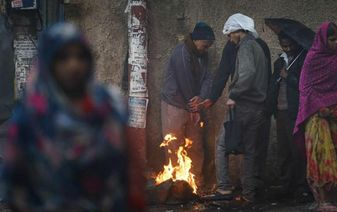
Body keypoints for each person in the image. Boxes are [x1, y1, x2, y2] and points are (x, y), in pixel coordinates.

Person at [0, 23, 145, 211]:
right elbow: (15, 189)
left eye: (80, 56)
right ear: (48, 62)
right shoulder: (30, 118)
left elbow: (131, 174)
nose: (73, 65)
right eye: (63, 57)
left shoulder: (110, 107)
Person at [294, 22, 337, 211]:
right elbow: (306, 88)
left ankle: (321, 196)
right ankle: (323, 201)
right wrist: (319, 107)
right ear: (324, 39)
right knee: (321, 156)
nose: (335, 43)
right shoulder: (312, 58)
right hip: (316, 116)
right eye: (332, 39)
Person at [210, 13, 269, 203]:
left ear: (238, 31)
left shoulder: (245, 46)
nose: (229, 38)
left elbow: (248, 73)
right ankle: (249, 194)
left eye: (230, 34)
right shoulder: (258, 46)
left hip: (243, 106)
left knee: (221, 146)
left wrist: (233, 95)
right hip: (257, 108)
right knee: (250, 151)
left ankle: (224, 188)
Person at [160, 22, 214, 189]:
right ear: (197, 40)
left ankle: (196, 182)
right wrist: (194, 106)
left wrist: (201, 97)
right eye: (205, 45)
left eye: (208, 46)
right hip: (175, 103)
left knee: (196, 144)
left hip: (194, 104)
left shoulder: (202, 54)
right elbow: (185, 81)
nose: (206, 49)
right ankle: (176, 184)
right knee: (174, 143)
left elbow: (207, 78)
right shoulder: (181, 52)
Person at [268, 32, 311, 202]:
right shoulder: (279, 61)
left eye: (290, 45)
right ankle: (286, 186)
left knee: (298, 151)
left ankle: (302, 188)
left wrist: (290, 77)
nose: (288, 48)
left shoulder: (304, 59)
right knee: (283, 151)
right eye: (284, 45)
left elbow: (306, 86)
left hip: (296, 112)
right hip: (280, 112)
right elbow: (273, 84)